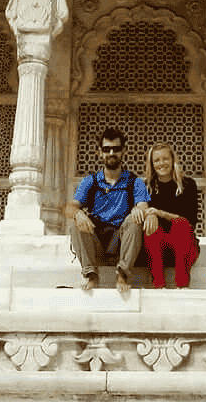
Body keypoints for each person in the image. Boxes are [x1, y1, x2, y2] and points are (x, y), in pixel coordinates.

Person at [66, 126, 150, 295]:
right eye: (107, 149)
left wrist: (138, 209)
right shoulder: (90, 181)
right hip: (97, 242)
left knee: (135, 219)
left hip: (121, 242)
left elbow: (143, 205)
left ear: (123, 151)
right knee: (76, 223)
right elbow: (70, 207)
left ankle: (122, 275)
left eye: (116, 149)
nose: (111, 153)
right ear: (100, 153)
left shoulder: (135, 182)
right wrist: (78, 213)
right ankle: (91, 274)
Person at [139, 141, 200, 289]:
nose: (161, 163)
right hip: (156, 251)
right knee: (152, 228)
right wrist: (150, 215)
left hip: (183, 249)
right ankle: (158, 284)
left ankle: (182, 284)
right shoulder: (146, 187)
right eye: (156, 160)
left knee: (181, 225)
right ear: (152, 164)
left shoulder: (188, 184)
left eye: (165, 159)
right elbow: (140, 211)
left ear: (173, 159)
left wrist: (160, 213)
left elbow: (190, 220)